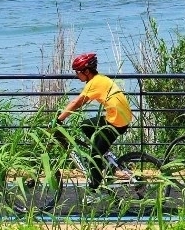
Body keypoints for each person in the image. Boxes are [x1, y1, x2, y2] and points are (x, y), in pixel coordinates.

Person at [56, 52, 133, 191]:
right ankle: (106, 156)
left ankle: (95, 184)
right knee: (85, 126)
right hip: (118, 117)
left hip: (116, 121)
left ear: (86, 71)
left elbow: (77, 102)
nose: (76, 75)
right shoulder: (99, 79)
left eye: (78, 72)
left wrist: (59, 119)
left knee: (94, 153)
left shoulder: (95, 83)